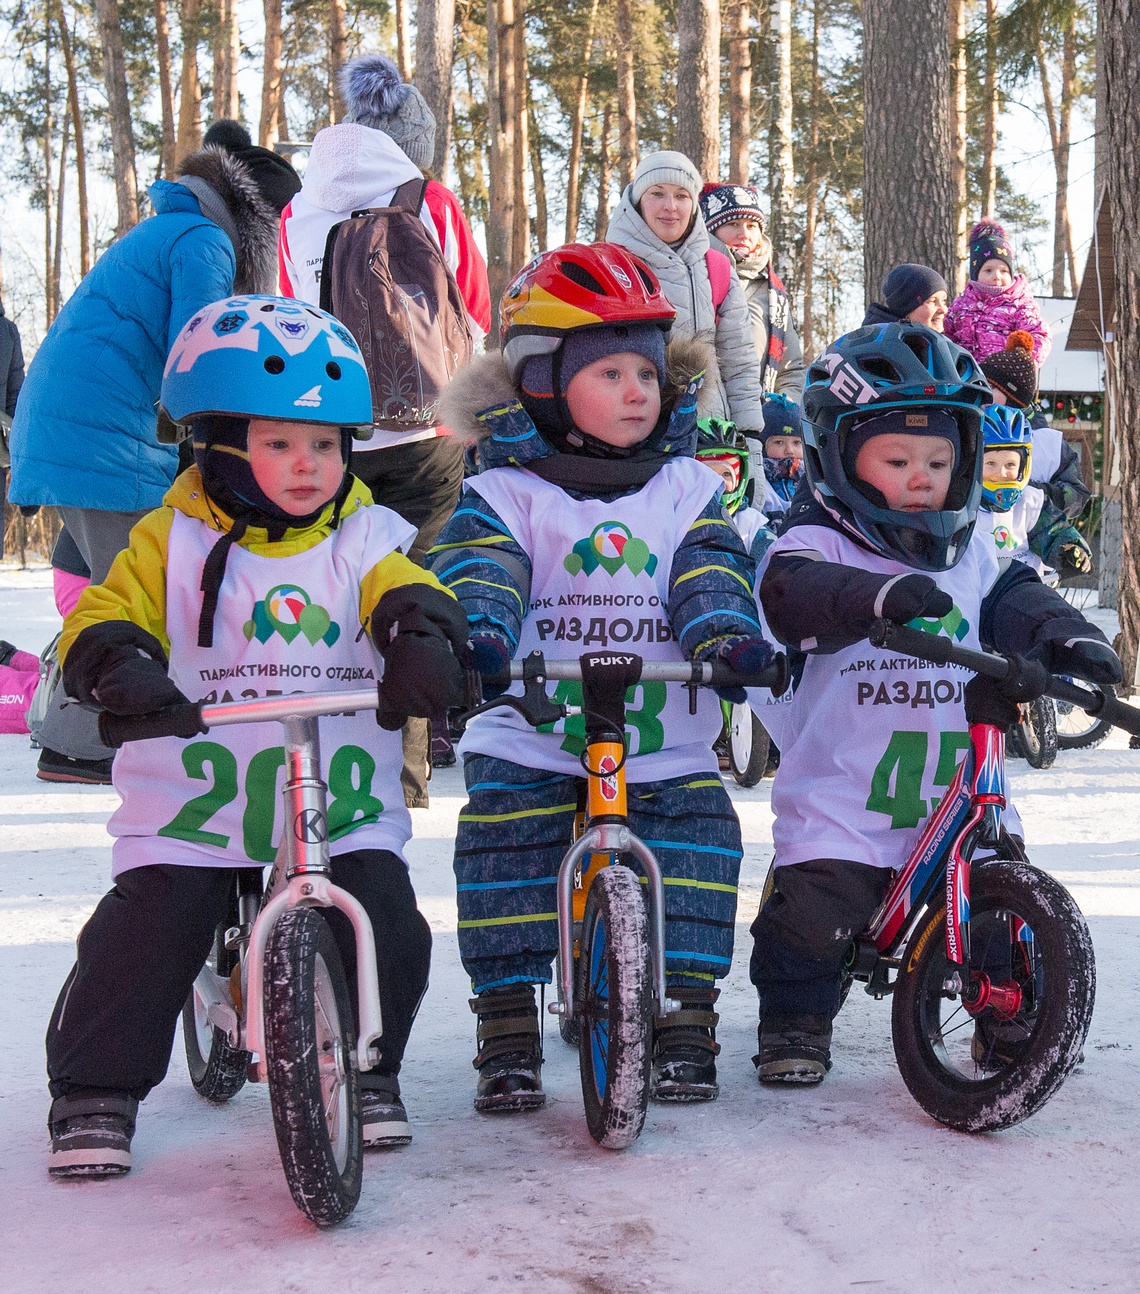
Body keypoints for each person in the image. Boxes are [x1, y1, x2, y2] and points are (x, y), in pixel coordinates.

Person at [44, 295, 468, 1178]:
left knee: (385, 916)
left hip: (336, 794)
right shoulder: (171, 541)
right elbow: (111, 611)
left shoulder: (364, 534)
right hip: (201, 794)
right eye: (279, 445)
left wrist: (421, 637)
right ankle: (97, 1086)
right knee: (151, 926)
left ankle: (367, 1065)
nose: (309, 465)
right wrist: (119, 660)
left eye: (323, 445)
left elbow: (404, 588)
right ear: (219, 448)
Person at [429, 243, 775, 1111]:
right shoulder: (506, 492)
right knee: (505, 840)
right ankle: (505, 1017)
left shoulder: (690, 487)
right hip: (536, 725)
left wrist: (728, 638)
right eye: (610, 372)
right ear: (542, 382)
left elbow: (708, 571)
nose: (636, 392)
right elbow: (484, 571)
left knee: (700, 840)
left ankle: (688, 1013)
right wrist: (479, 639)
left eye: (647, 375)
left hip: (662, 730)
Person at [748, 322, 1120, 1083]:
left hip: (962, 799)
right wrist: (876, 593)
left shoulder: (982, 546)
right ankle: (794, 1022)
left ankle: (1013, 1024)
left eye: (941, 460)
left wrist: (1071, 640)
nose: (923, 477)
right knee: (812, 921)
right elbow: (789, 597)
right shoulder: (817, 542)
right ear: (839, 458)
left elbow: (1019, 598)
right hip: (846, 805)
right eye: (897, 460)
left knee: (1005, 923)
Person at [8, 141, 294, 785]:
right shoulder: (203, 243)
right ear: (262, 219)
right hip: (101, 439)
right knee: (135, 596)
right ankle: (78, 742)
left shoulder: (173, 229)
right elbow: (199, 350)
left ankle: (72, 731)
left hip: (80, 433)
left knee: (128, 587)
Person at [278, 52, 491, 809]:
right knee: (413, 590)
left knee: (335, 586)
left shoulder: (298, 208)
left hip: (329, 430)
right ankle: (402, 777)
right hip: (427, 428)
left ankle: (321, 768)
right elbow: (472, 309)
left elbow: (286, 315)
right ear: (413, 141)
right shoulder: (430, 199)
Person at [606, 154, 766, 436]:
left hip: (712, 434)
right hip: (635, 437)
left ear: (693, 205)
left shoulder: (717, 267)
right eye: (657, 193)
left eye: (681, 195)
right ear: (636, 201)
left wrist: (750, 437)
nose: (670, 206)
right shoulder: (610, 266)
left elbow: (739, 361)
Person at [697, 183, 806, 399]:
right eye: (733, 224)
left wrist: (782, 410)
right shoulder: (696, 277)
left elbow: (790, 371)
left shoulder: (773, 294)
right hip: (702, 412)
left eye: (752, 225)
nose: (744, 234)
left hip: (759, 419)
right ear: (711, 230)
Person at [979, 330, 1089, 522]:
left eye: (992, 387)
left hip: (1027, 543)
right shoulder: (973, 426)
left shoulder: (1048, 442)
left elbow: (1078, 496)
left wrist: (1031, 492)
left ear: (1014, 395)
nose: (983, 393)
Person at [980, 405, 1091, 578]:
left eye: (1010, 465)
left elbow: (1052, 531)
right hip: (976, 592)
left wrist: (1070, 551)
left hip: (1024, 591)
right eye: (991, 464)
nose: (1001, 473)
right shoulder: (962, 505)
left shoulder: (1030, 502)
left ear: (1023, 466)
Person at [945, 221, 1051, 365]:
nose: (997, 276)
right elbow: (947, 335)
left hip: (1004, 376)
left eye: (1003, 271)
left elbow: (1038, 335)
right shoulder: (961, 305)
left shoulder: (1020, 305)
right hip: (966, 377)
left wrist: (1023, 365)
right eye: (988, 270)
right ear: (976, 274)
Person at [757, 393, 805, 526]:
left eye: (797, 443)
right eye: (779, 442)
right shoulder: (759, 482)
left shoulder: (811, 479)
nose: (789, 450)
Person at [862, 263, 948, 331]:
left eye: (944, 301)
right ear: (906, 308)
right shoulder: (884, 345)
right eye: (932, 301)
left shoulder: (927, 342)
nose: (944, 310)